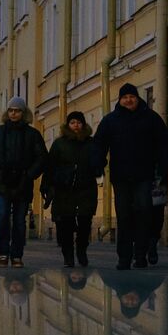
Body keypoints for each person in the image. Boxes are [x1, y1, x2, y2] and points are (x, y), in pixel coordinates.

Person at [92, 85, 168, 270]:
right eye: (125, 97)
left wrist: (163, 166)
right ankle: (124, 258)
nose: (129, 100)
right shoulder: (110, 121)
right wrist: (97, 163)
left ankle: (140, 255)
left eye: (132, 96)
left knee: (144, 213)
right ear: (120, 100)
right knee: (124, 216)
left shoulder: (151, 118)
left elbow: (163, 143)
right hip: (121, 177)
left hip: (145, 176)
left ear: (137, 98)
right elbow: (99, 143)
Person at [0, 97, 47, 267]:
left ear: (23, 113)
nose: (14, 113)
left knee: (19, 220)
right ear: (7, 113)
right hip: (2, 182)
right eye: (11, 110)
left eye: (17, 110)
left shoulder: (32, 135)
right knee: (2, 216)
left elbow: (41, 158)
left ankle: (17, 254)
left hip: (23, 183)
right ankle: (3, 252)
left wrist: (29, 175)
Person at [42, 110, 100, 267]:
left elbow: (99, 160)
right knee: (65, 223)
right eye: (73, 122)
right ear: (68, 125)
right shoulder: (59, 144)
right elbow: (50, 166)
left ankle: (81, 249)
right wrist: (47, 186)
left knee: (85, 221)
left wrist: (97, 168)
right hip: (64, 189)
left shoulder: (90, 143)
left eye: (79, 122)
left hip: (86, 188)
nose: (76, 125)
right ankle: (68, 254)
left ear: (84, 124)